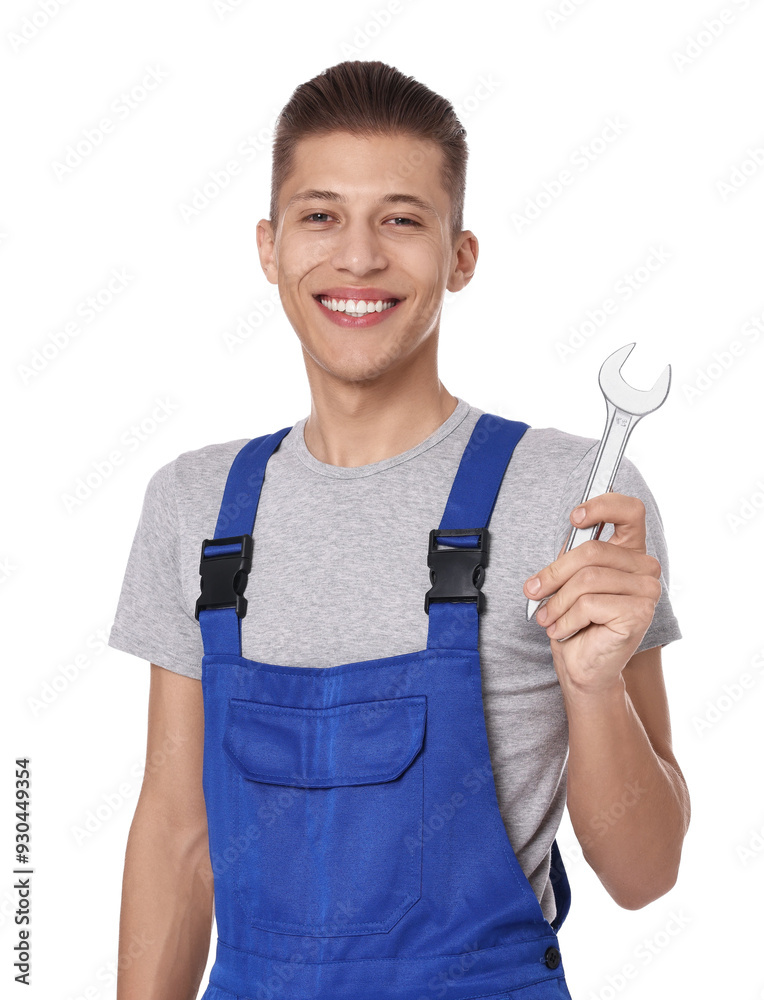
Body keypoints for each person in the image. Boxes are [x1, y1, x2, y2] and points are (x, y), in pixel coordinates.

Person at [108, 60, 690, 1000]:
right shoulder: (195, 505)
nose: (360, 258)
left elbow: (645, 871)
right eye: (322, 215)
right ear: (269, 245)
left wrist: (593, 684)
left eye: (404, 219)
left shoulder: (574, 497)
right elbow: (177, 838)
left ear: (461, 255)